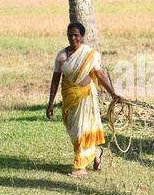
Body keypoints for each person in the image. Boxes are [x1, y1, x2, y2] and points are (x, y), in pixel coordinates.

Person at [46, 22, 120, 178]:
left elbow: (99, 75)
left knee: (81, 131)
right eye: (70, 35)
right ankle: (97, 152)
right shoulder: (61, 56)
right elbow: (55, 80)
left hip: (86, 97)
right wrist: (50, 103)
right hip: (69, 98)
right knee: (74, 132)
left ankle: (80, 167)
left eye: (76, 35)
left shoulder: (89, 55)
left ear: (82, 36)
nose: (73, 38)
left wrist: (113, 94)